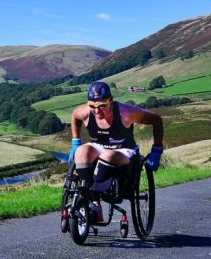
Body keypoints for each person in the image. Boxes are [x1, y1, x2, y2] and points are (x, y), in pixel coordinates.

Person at [67, 81, 164, 209]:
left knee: (108, 156)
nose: (97, 110)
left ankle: (94, 192)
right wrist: (76, 143)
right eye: (92, 105)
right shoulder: (85, 112)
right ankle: (93, 202)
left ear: (111, 100)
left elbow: (156, 120)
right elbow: (75, 116)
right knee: (80, 152)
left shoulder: (127, 113)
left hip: (124, 150)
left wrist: (156, 150)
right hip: (99, 147)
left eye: (102, 105)